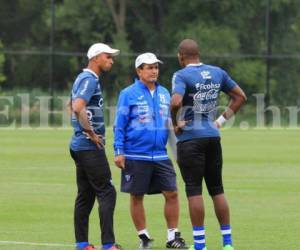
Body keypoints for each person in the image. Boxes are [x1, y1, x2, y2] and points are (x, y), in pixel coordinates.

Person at [170, 39, 247, 250]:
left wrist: (176, 122)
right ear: (198, 54)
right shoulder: (217, 72)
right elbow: (240, 97)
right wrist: (220, 122)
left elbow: (176, 101)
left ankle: (200, 246)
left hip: (190, 139)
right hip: (213, 137)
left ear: (181, 56)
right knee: (217, 189)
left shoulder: (181, 75)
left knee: (194, 190)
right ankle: (227, 243)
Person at [113, 52, 188, 250]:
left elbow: (169, 122)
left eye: (156, 67)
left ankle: (173, 237)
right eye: (149, 67)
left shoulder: (164, 93)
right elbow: (119, 124)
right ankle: (144, 237)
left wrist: (177, 128)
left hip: (161, 154)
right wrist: (118, 150)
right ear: (139, 71)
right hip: (136, 154)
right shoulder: (127, 94)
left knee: (172, 193)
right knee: (137, 196)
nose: (154, 70)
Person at [69, 43, 122, 250]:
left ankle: (82, 244)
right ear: (96, 57)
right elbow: (77, 107)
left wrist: (80, 127)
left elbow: (71, 105)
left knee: (86, 194)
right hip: (88, 147)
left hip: (78, 146)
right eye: (108, 56)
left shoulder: (81, 78)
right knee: (107, 192)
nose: (111, 60)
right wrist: (90, 132)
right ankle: (108, 245)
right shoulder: (89, 78)